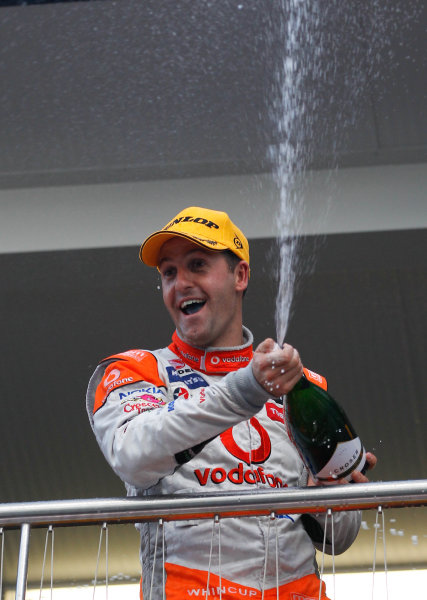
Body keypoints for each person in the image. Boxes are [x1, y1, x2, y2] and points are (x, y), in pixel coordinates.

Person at [86, 206, 376, 600]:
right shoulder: (138, 369)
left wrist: (328, 487)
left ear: (240, 276)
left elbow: (339, 539)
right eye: (169, 272)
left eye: (197, 265)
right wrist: (246, 389)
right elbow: (133, 454)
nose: (180, 283)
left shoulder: (301, 386)